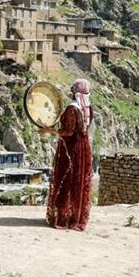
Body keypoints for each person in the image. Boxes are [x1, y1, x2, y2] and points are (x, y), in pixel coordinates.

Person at [40, 78, 93, 231]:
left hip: (71, 148)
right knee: (77, 180)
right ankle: (74, 216)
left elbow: (68, 132)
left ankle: (63, 217)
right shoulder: (87, 107)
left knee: (66, 179)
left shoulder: (73, 108)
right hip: (83, 147)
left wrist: (49, 130)